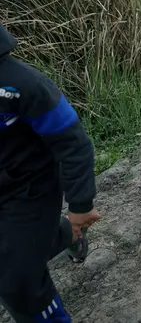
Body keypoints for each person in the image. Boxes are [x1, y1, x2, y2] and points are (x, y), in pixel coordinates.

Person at [0, 24, 99, 322]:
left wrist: (81, 205)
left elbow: (74, 143)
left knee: (16, 282)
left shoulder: (23, 84)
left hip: (28, 192)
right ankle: (64, 234)